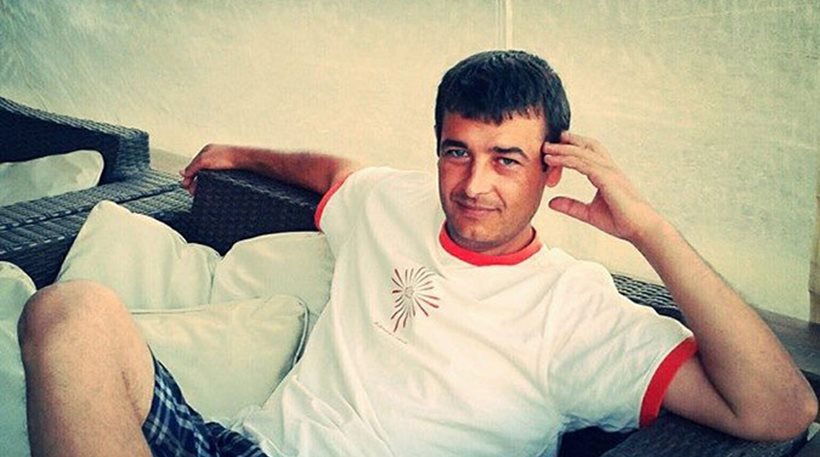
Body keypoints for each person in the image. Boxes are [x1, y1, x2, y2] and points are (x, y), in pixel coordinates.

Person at [18, 50, 816, 457]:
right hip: (244, 444)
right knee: (69, 311)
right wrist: (238, 152)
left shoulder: (576, 310)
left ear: (553, 168)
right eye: (456, 151)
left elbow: (782, 409)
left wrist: (649, 229)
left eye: (506, 158)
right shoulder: (394, 202)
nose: (473, 183)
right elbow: (334, 171)